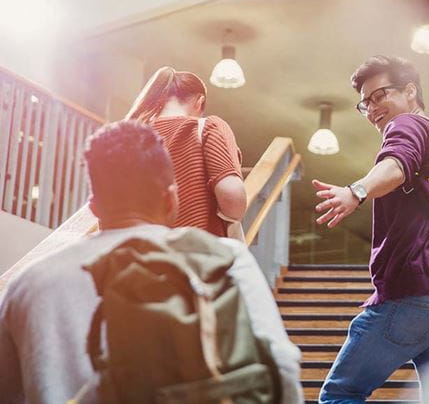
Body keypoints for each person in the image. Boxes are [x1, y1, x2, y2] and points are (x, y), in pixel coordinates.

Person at [0, 121, 303, 403]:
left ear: (93, 207)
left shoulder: (27, 284)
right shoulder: (222, 258)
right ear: (171, 199)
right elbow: (283, 371)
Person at [313, 55, 429, 403]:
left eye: (380, 95)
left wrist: (356, 191)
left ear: (410, 91)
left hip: (417, 292)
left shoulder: (407, 125)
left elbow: (396, 164)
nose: (373, 108)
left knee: (341, 393)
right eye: (365, 104)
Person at [126, 66, 246, 238]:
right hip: (197, 256)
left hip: (142, 256)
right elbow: (233, 200)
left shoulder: (129, 138)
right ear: (199, 101)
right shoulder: (208, 127)